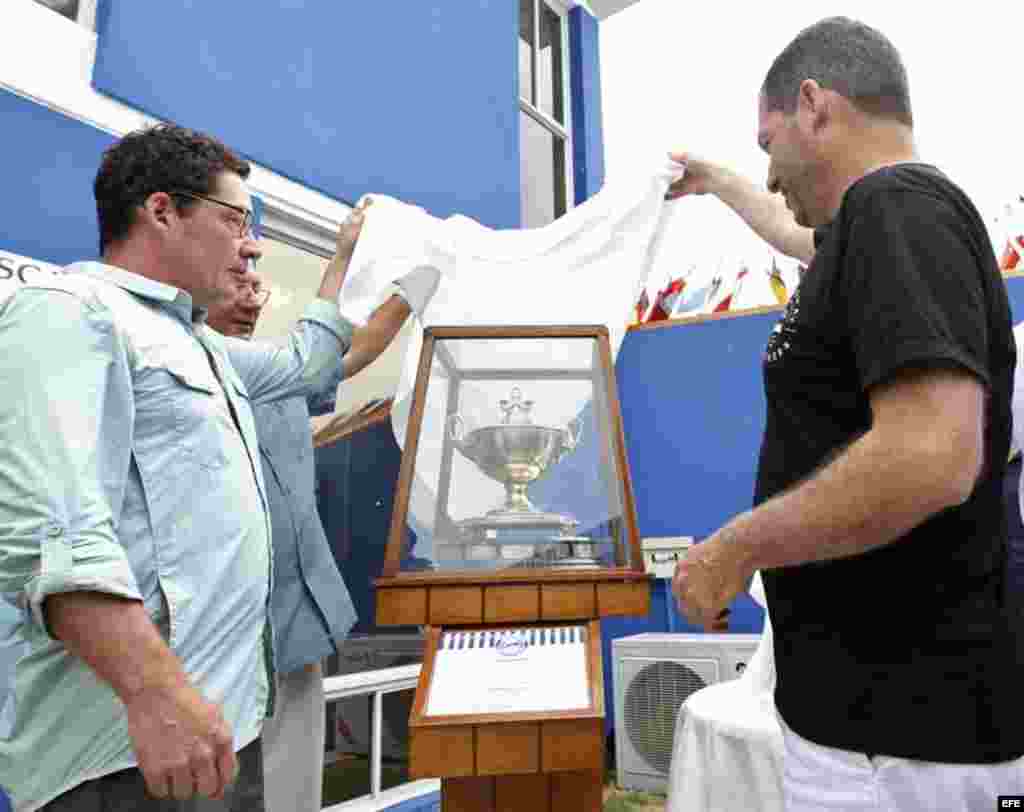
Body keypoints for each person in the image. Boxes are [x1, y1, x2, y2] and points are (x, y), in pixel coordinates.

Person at [0, 123, 423, 812]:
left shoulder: (195, 345)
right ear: (162, 211)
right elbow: (56, 537)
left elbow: (309, 363)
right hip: (133, 757)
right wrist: (155, 693)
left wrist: (406, 275)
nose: (251, 245)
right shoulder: (72, 316)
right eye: (235, 221)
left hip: (218, 731)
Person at [669, 17, 1024, 809]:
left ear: (814, 105)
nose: (769, 174)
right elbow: (793, 232)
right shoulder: (869, 228)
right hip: (872, 731)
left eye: (768, 145)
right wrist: (718, 181)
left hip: (904, 744)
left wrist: (735, 550)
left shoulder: (897, 208)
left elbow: (932, 454)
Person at [202, 204, 431, 812]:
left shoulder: (276, 379)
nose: (253, 294)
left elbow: (355, 353)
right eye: (240, 281)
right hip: (224, 633)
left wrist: (419, 283)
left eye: (258, 284)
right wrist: (344, 254)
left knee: (292, 785)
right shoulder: (195, 368)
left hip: (294, 627)